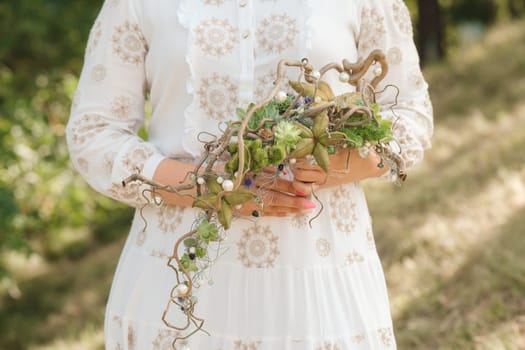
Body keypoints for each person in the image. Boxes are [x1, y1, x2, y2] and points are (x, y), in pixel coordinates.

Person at [66, 0, 433, 349]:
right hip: (177, 286)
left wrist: (333, 163)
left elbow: (411, 112)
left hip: (320, 278)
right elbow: (93, 133)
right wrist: (212, 185)